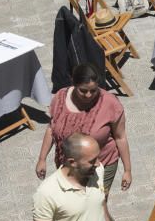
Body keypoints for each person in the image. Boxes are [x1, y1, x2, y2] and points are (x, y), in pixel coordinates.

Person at [36, 63, 131, 195]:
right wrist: (42, 159)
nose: (88, 95)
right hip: (70, 166)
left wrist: (127, 170)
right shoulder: (60, 98)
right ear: (74, 84)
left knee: (97, 204)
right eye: (83, 90)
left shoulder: (110, 103)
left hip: (100, 165)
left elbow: (120, 137)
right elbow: (51, 129)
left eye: (93, 90)